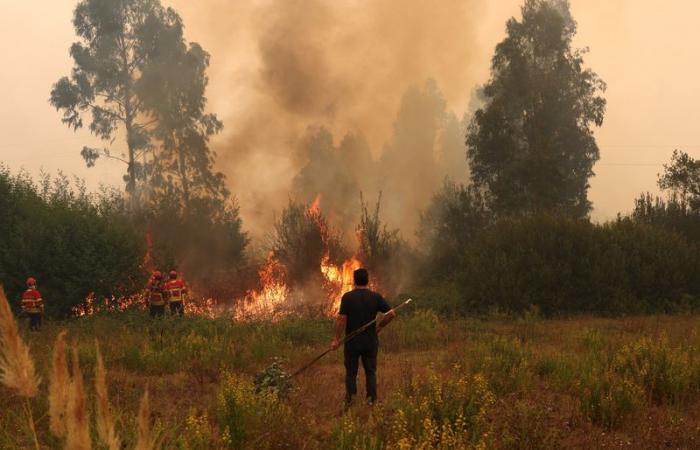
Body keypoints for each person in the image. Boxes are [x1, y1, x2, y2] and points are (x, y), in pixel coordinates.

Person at [331, 268, 396, 408]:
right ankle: (371, 400)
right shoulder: (375, 297)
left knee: (351, 373)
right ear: (368, 280)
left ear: (354, 281)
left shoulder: (347, 297)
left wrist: (336, 339)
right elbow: (391, 314)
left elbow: (342, 319)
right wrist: (380, 327)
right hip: (370, 341)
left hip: (352, 342)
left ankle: (350, 401)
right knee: (370, 372)